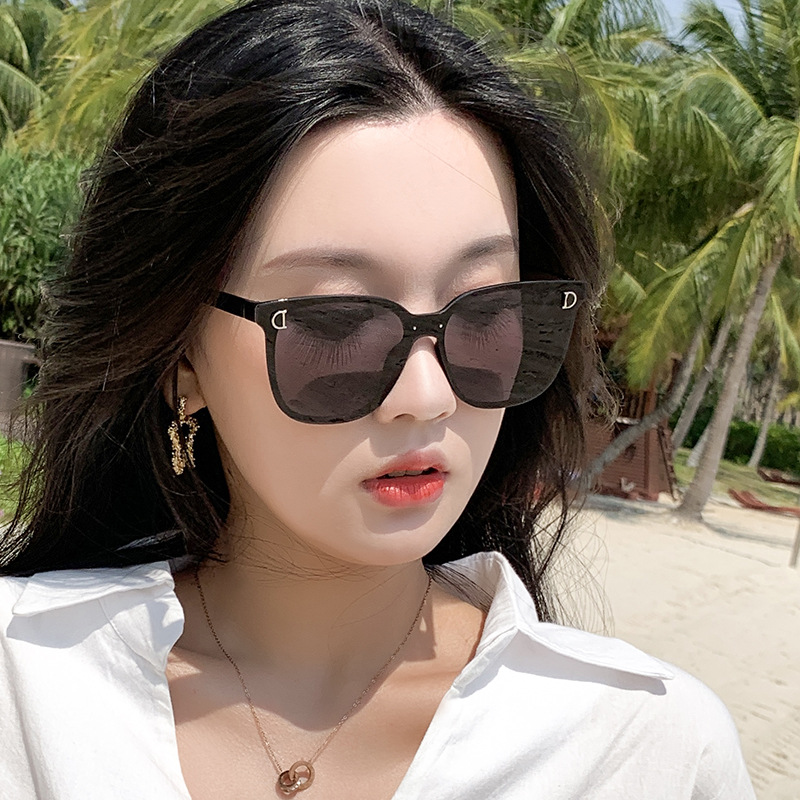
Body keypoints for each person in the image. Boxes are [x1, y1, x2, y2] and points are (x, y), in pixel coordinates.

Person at [0, 1, 755, 798]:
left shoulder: (644, 750)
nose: (426, 397)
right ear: (181, 358)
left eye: (487, 311)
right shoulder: (27, 686)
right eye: (336, 321)